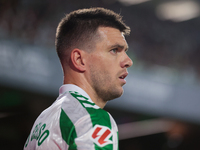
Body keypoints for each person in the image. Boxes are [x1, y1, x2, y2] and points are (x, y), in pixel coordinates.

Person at [24, 7, 133, 150]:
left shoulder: (44, 120)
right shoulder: (91, 118)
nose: (128, 61)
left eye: (125, 51)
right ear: (79, 59)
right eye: (114, 50)